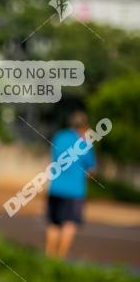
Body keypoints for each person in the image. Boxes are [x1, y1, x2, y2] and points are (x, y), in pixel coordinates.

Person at [45, 110, 97, 258]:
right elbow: (92, 170)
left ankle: (49, 258)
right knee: (70, 224)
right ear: (85, 125)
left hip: (55, 188)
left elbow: (54, 158)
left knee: (54, 224)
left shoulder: (59, 136)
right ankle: (59, 260)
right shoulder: (84, 143)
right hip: (74, 192)